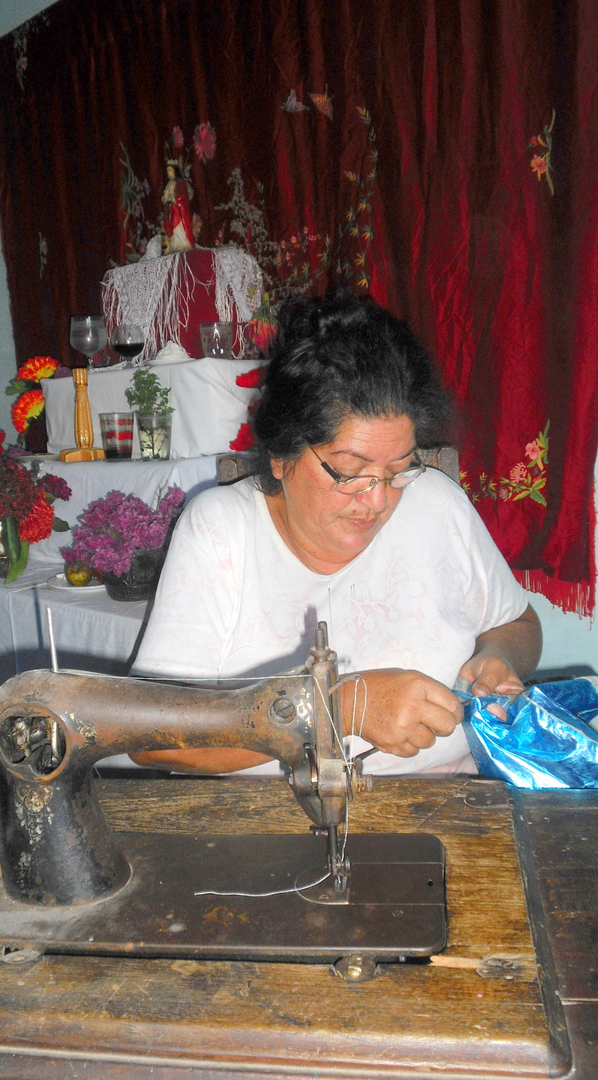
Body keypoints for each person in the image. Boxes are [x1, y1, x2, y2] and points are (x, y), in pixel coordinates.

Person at [131, 291, 542, 775]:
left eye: (398, 469)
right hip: (269, 828)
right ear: (282, 456)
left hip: (451, 804)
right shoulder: (222, 531)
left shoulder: (436, 501)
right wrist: (338, 709)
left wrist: (496, 657)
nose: (377, 499)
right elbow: (151, 737)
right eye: (349, 472)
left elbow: (518, 624)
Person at [161, 160, 194, 254]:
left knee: (178, 229)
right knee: (172, 229)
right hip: (172, 211)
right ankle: (175, 245)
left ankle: (182, 244)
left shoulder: (180, 183)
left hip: (179, 212)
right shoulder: (169, 184)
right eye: (168, 171)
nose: (169, 173)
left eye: (170, 170)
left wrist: (175, 200)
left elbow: (182, 197)